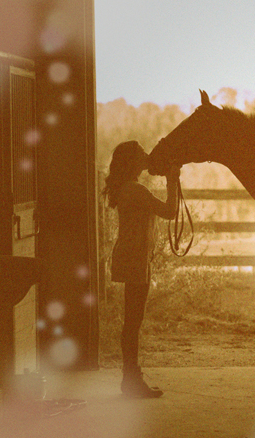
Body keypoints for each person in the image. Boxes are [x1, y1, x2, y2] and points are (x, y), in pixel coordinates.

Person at [102, 140, 180, 398]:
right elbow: (170, 211)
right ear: (133, 162)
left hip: (133, 256)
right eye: (142, 155)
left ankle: (131, 378)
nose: (147, 157)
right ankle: (132, 380)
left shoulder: (128, 188)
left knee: (132, 321)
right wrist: (173, 180)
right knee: (133, 322)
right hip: (135, 259)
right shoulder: (135, 190)